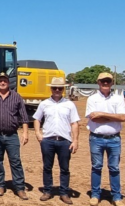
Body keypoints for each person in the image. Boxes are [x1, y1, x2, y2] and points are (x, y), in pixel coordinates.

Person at [0, 72, 30, 199]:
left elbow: (24, 117)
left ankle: (19, 187)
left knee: (15, 161)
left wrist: (25, 133)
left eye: (5, 81)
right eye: (0, 81)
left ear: (8, 82)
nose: (3, 83)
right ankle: (0, 185)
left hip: (11, 135)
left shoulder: (17, 97)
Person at [33, 77, 80, 205]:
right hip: (48, 140)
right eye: (55, 88)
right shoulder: (44, 104)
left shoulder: (70, 104)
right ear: (51, 89)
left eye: (60, 88)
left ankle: (64, 193)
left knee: (64, 168)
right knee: (47, 167)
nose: (57, 90)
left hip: (65, 141)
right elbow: (37, 119)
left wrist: (75, 140)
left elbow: (74, 123)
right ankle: (47, 191)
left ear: (63, 89)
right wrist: (38, 133)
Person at [85, 72, 125, 206]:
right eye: (103, 81)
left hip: (114, 139)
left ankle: (116, 196)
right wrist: (113, 117)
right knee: (96, 167)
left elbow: (123, 118)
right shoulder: (92, 99)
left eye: (108, 81)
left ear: (111, 83)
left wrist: (102, 114)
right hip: (96, 138)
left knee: (114, 168)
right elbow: (93, 118)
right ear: (98, 82)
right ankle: (95, 194)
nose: (105, 83)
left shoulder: (118, 99)